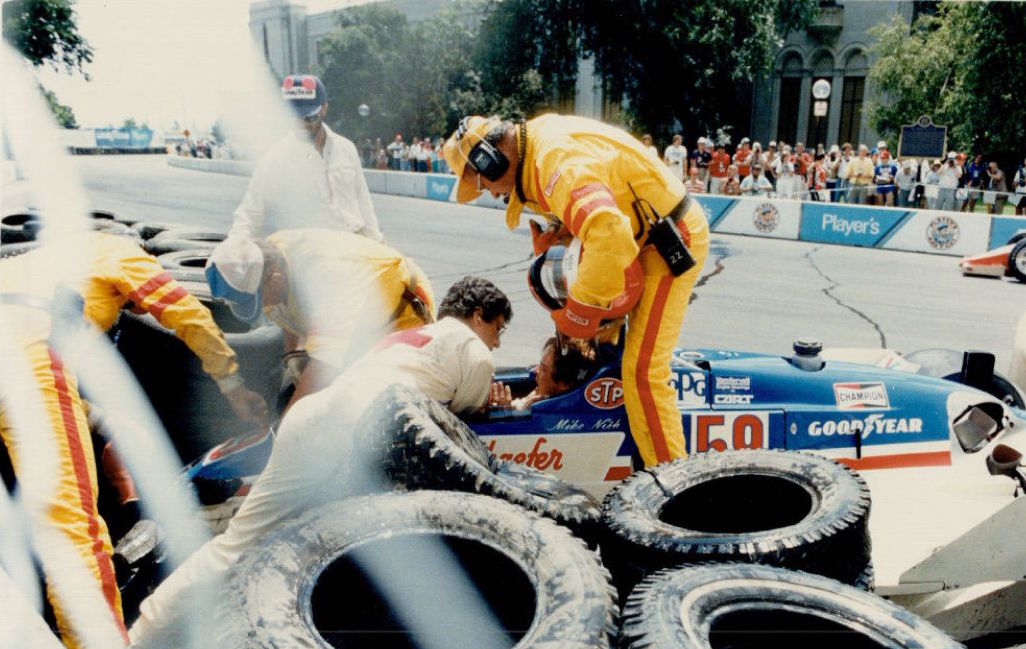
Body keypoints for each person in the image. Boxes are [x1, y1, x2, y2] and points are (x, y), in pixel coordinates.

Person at [128, 276, 512, 649]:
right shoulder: (474, 350)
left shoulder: (415, 338)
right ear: (479, 315)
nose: (497, 341)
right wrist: (497, 403)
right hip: (353, 432)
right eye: (498, 328)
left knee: (238, 545)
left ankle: (145, 633)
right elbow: (463, 429)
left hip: (313, 418)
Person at [0, 231, 266, 649]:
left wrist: (102, 419)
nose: (133, 312)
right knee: (71, 522)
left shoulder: (42, 263)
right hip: (28, 351)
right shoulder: (122, 253)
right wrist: (232, 383)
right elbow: (187, 315)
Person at [442, 114, 709, 468]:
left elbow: (609, 232)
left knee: (643, 372)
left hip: (667, 240)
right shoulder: (534, 153)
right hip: (635, 239)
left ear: (490, 161)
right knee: (602, 355)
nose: (491, 194)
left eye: (482, 185)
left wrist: (578, 314)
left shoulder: (554, 161)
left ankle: (674, 487)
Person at [206, 229, 435, 407]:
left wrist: (288, 429)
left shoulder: (326, 278)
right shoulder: (269, 255)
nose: (264, 305)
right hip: (353, 310)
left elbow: (324, 366)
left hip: (401, 308)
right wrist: (291, 359)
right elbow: (286, 312)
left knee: (379, 397)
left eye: (261, 298)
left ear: (274, 279)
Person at [228, 75, 382, 244]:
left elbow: (363, 200)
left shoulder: (346, 149)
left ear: (324, 109)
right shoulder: (276, 159)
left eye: (309, 118)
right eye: (295, 118)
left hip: (355, 244)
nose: (302, 125)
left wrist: (378, 242)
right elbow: (250, 212)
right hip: (311, 250)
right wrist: (235, 246)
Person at [495, 336, 589, 410]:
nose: (535, 371)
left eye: (543, 368)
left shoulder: (540, 406)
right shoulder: (537, 394)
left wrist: (506, 411)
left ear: (563, 383)